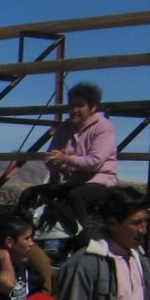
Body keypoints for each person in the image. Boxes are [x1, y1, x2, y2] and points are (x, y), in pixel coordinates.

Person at [23, 82, 119, 228]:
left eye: (80, 105)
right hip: (69, 181)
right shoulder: (64, 127)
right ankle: (27, 236)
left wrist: (65, 159)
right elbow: (50, 155)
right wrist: (54, 162)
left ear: (92, 107)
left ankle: (78, 238)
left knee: (76, 196)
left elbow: (95, 162)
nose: (74, 110)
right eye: (72, 106)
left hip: (98, 181)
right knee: (29, 194)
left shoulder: (103, 127)